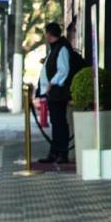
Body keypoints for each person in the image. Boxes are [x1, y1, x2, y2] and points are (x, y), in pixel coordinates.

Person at [37, 20, 72, 164]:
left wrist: (52, 83)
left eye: (46, 33)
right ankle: (55, 152)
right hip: (53, 93)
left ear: (50, 34)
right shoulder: (55, 48)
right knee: (56, 123)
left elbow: (63, 69)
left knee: (60, 123)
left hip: (58, 93)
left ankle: (62, 154)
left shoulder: (62, 48)